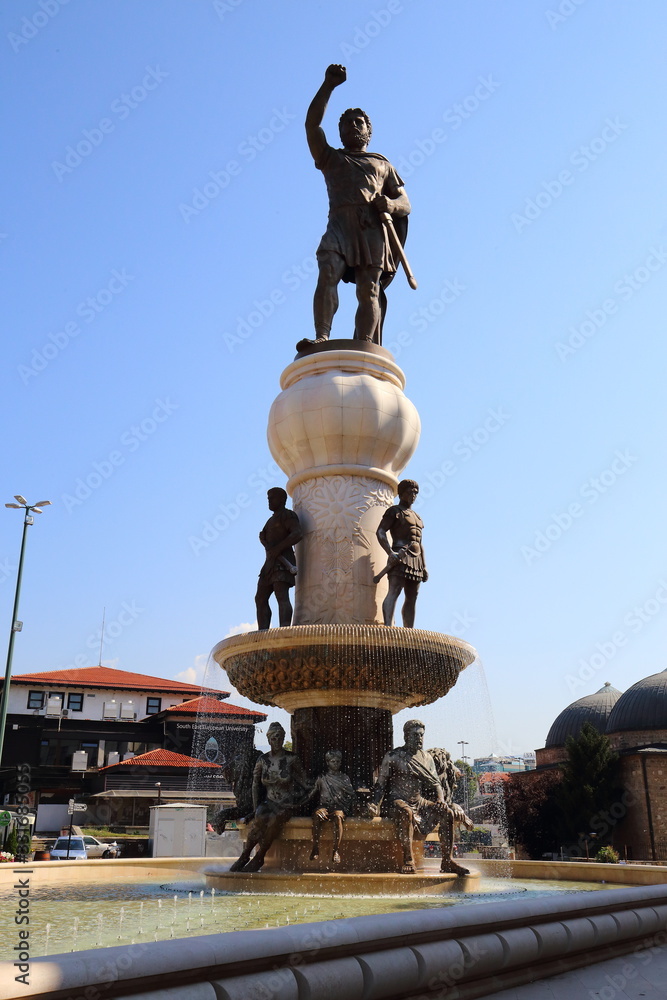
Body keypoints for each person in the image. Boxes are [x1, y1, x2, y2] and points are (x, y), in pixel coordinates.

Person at [298, 63, 411, 349]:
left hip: (371, 227)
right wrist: (328, 85)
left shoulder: (381, 163)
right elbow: (311, 125)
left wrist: (390, 204)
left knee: (368, 288)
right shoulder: (331, 158)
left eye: (359, 122)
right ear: (340, 131)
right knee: (327, 272)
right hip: (339, 224)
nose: (354, 126)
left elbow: (405, 203)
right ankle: (322, 336)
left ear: (369, 130)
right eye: (347, 123)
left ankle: (364, 344)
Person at [229, 722, 309, 873]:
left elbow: (304, 783)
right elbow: (255, 785)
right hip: (269, 801)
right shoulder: (262, 760)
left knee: (274, 819)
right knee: (260, 817)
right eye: (274, 738)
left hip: (286, 803)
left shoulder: (292, 759)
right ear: (268, 740)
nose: (277, 741)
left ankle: (260, 856)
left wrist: (307, 792)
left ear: (284, 738)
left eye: (280, 738)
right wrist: (254, 809)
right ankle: (245, 855)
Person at [369, 719, 446, 874]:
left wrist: (441, 800)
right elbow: (381, 784)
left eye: (422, 735)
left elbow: (436, 783)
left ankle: (448, 861)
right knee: (406, 812)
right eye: (416, 735)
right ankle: (408, 859)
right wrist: (374, 803)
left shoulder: (427, 758)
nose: (420, 738)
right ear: (406, 736)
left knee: (447, 812)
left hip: (420, 802)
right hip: (396, 802)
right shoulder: (393, 756)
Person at [376, 480, 427, 627]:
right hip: (400, 554)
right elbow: (380, 532)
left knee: (413, 597)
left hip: (416, 560)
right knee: (394, 590)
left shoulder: (417, 517)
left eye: (415, 493)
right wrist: (390, 552)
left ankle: (409, 631)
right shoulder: (394, 511)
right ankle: (388, 627)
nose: (413, 495)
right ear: (401, 493)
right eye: (410, 492)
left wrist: (424, 566)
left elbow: (419, 542)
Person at [255, 488, 302, 630]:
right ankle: (263, 631)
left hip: (283, 561)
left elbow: (297, 534)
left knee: (281, 595)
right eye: (268, 498)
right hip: (270, 563)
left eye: (272, 498)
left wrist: (278, 548)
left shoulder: (288, 515)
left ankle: (284, 628)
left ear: (282, 499)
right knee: (260, 598)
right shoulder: (270, 520)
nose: (269, 501)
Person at [429, 747, 474, 876]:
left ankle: (447, 860)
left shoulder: (444, 783)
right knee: (446, 813)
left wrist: (457, 808)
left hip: (437, 809)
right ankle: (447, 860)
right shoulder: (428, 779)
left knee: (447, 813)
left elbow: (446, 802)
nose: (453, 768)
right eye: (448, 762)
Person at [308, 749, 357, 865]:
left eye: (338, 761)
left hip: (339, 808)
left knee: (338, 817)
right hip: (324, 806)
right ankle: (315, 847)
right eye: (333, 761)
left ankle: (336, 851)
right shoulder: (322, 778)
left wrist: (348, 806)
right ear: (327, 762)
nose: (335, 763)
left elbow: (352, 795)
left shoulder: (344, 778)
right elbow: (311, 794)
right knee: (317, 815)